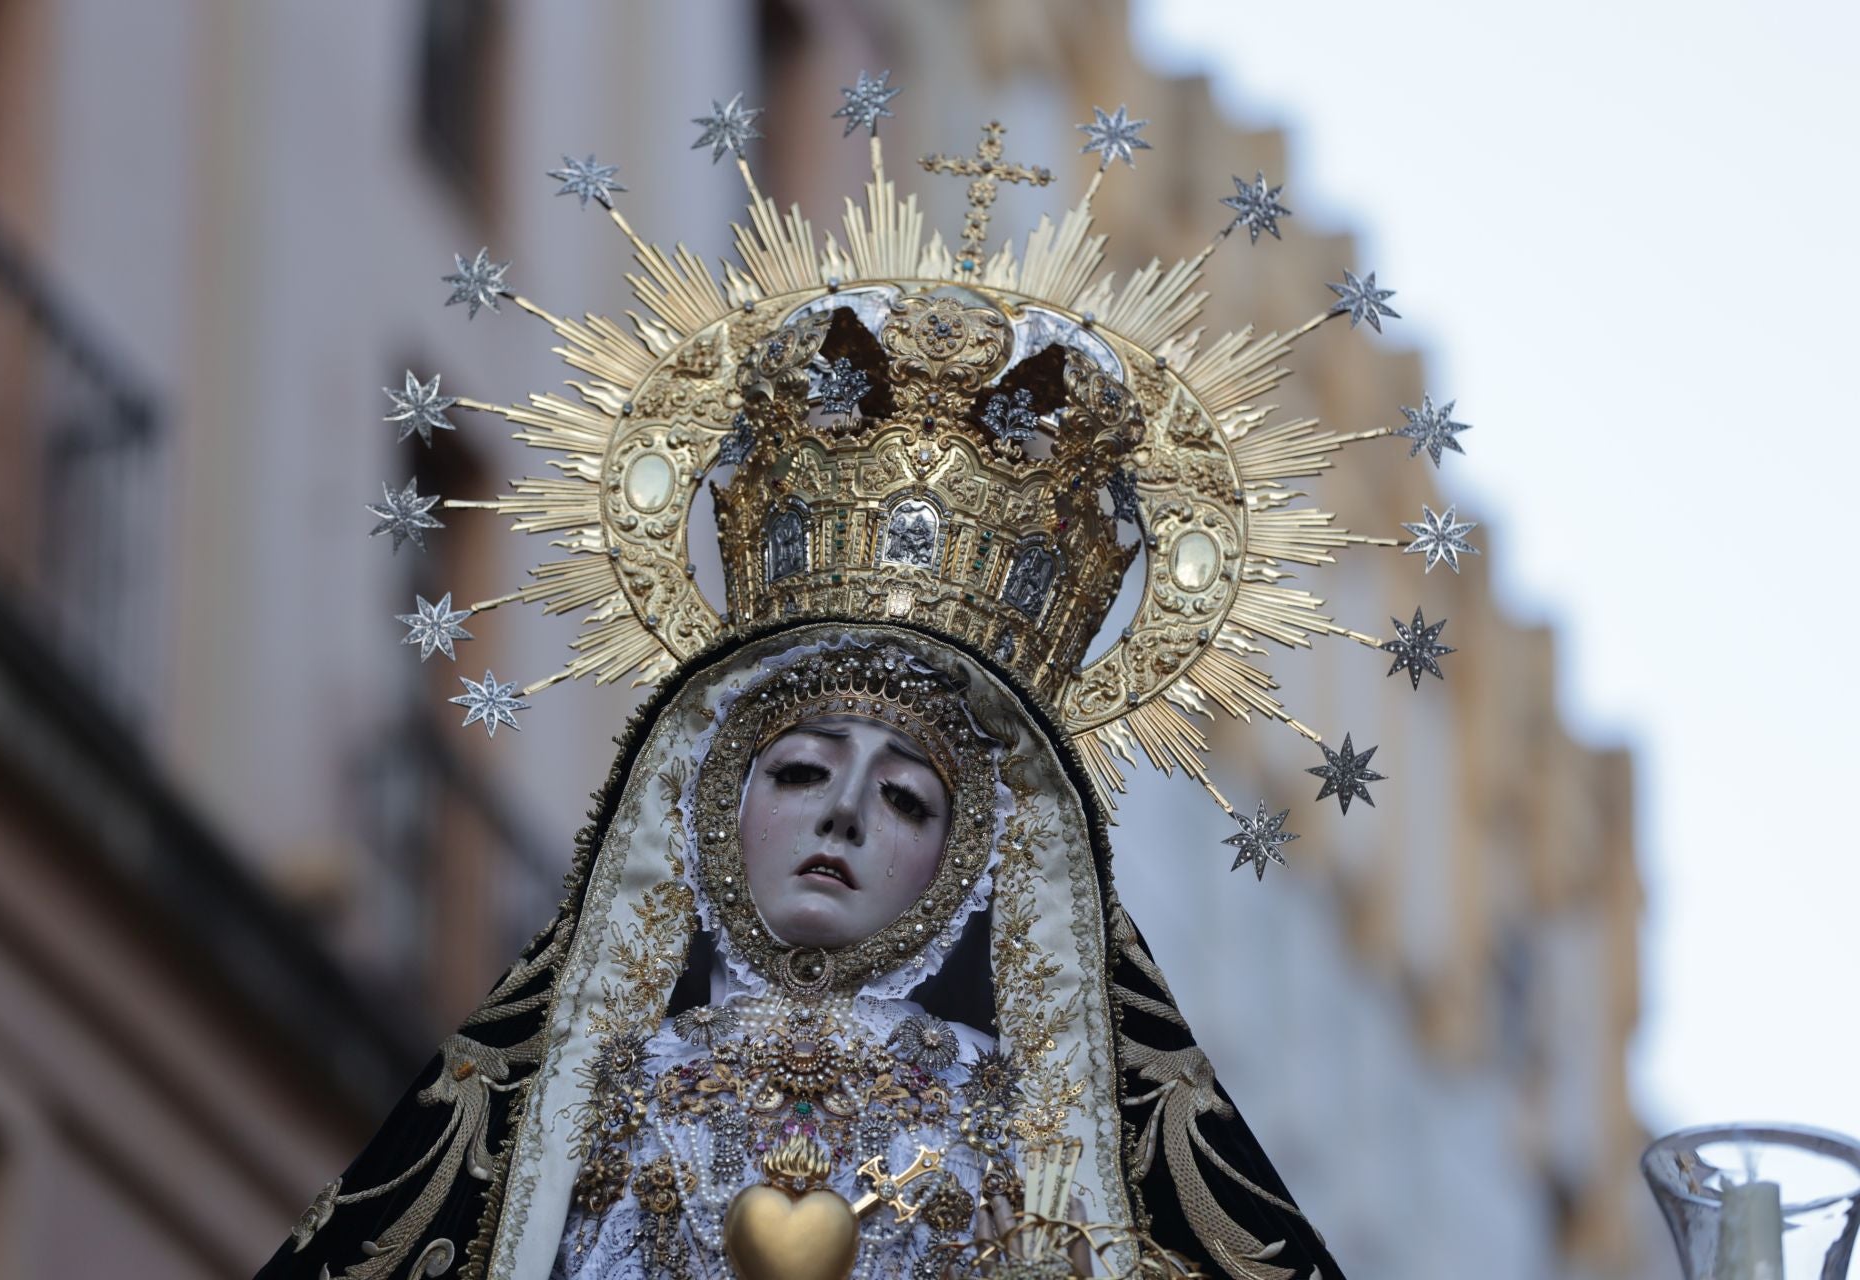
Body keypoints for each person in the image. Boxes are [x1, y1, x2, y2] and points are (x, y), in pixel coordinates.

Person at [257, 93, 1405, 1280]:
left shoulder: (1038, 1142)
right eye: (802, 769)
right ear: (711, 802)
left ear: (974, 858)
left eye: (906, 796)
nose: (845, 813)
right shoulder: (573, 1108)